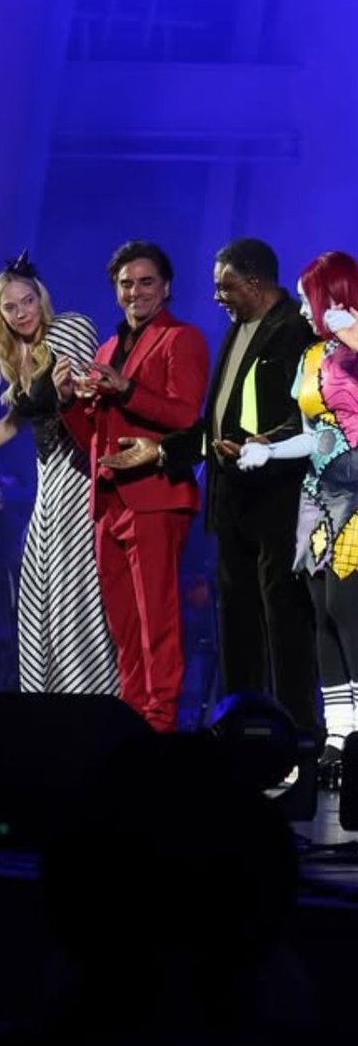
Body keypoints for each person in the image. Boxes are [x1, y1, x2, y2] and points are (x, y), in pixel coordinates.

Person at [100, 239, 318, 738]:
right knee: (236, 625)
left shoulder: (293, 331)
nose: (218, 296)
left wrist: (265, 444)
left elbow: (308, 417)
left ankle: (296, 734)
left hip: (277, 502)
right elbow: (215, 425)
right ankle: (242, 730)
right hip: (232, 503)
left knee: (282, 623)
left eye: (226, 286)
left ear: (256, 283)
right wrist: (161, 451)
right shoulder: (237, 330)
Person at [52, 240, 209, 732]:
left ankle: (160, 720)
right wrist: (67, 402)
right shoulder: (106, 348)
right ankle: (133, 716)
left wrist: (127, 389)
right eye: (126, 283)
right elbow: (93, 437)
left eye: (145, 282)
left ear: (167, 287)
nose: (135, 291)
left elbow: (186, 415)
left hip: (156, 493)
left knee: (155, 618)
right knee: (122, 623)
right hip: (108, 498)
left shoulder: (182, 339)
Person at [0, 251, 116, 695]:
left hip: (81, 472)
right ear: (0, 313)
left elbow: (86, 400)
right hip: (49, 479)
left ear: (40, 297)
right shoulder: (21, 354)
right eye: (11, 307)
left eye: (28, 300)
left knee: (72, 591)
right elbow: (15, 420)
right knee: (37, 593)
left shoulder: (69, 327)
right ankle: (47, 702)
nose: (22, 312)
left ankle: (87, 696)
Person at [239, 251, 358, 767]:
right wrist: (269, 450)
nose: (304, 310)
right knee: (320, 614)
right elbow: (313, 436)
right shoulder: (312, 358)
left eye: (309, 297)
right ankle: (339, 734)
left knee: (347, 607)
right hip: (319, 492)